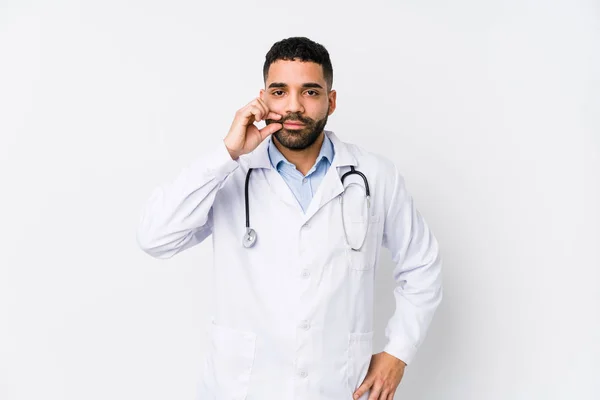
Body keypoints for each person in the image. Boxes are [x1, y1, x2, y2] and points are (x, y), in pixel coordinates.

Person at [136, 36, 443, 400]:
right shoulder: (231, 173)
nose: (294, 107)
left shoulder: (374, 176)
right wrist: (227, 153)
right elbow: (155, 237)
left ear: (330, 101)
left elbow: (422, 265)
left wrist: (398, 353)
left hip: (338, 386)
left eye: (310, 92)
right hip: (242, 389)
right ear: (262, 99)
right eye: (279, 92)